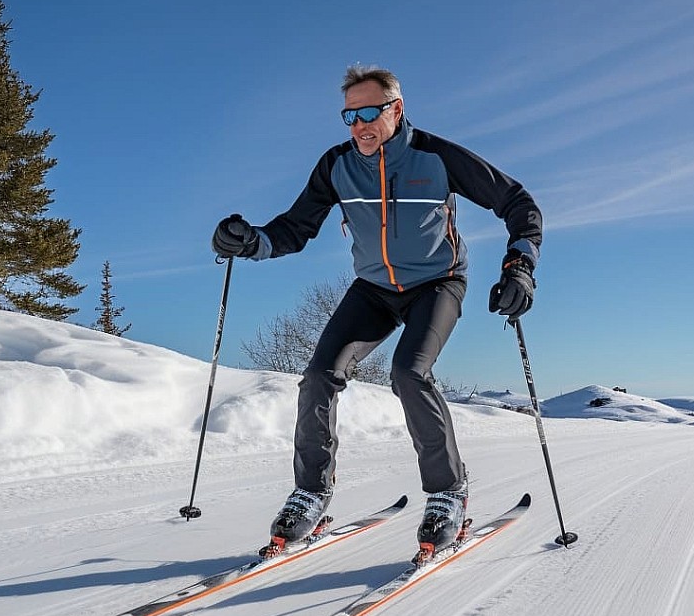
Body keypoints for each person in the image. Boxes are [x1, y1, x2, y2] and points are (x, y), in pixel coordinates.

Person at [212, 65, 541, 562]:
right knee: (319, 375)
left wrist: (520, 267)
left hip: (438, 283)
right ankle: (313, 494)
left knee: (409, 373)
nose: (359, 125)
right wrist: (250, 242)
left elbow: (518, 203)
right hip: (373, 288)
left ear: (397, 109)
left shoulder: (436, 156)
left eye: (370, 112)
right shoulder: (336, 164)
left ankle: (448, 492)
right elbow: (295, 229)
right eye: (349, 116)